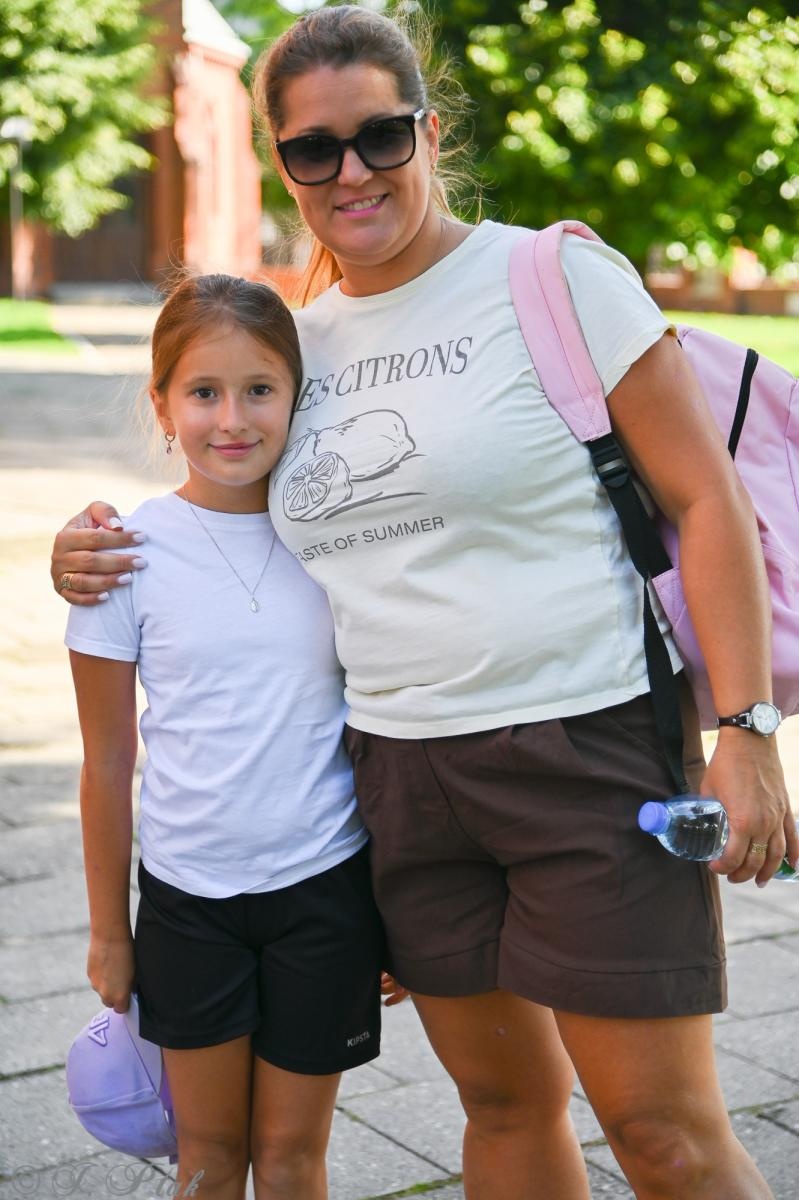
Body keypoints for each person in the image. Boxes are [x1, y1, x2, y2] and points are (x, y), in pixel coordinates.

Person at [51, 7, 796, 1199]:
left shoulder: (549, 273)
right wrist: (92, 549)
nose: (351, 172)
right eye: (314, 150)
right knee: (502, 1107)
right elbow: (236, 500)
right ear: (281, 163)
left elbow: (705, 501)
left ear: (428, 132)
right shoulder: (302, 339)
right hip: (399, 784)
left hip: (586, 746)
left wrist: (747, 736)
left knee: (661, 1134)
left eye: (380, 136)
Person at [62, 273, 396, 1200]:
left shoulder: (339, 542)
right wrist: (108, 934)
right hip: (186, 905)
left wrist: (393, 909)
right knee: (208, 1160)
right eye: (203, 392)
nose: (232, 418)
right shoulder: (122, 553)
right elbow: (105, 762)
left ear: (297, 396)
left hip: (324, 894)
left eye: (259, 390)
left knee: (292, 1160)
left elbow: (386, 721)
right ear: (162, 404)